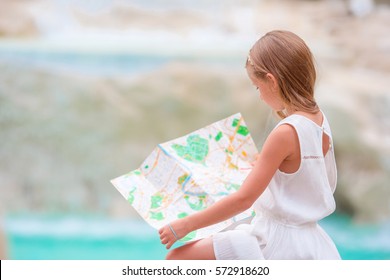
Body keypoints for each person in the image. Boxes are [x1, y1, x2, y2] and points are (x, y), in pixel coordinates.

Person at [158, 30, 341, 260]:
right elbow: (300, 173)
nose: (260, 95)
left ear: (272, 81)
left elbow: (243, 200)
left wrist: (185, 225)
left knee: (176, 260)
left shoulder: (285, 132)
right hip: (310, 241)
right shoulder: (320, 121)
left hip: (274, 240)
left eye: (257, 86)